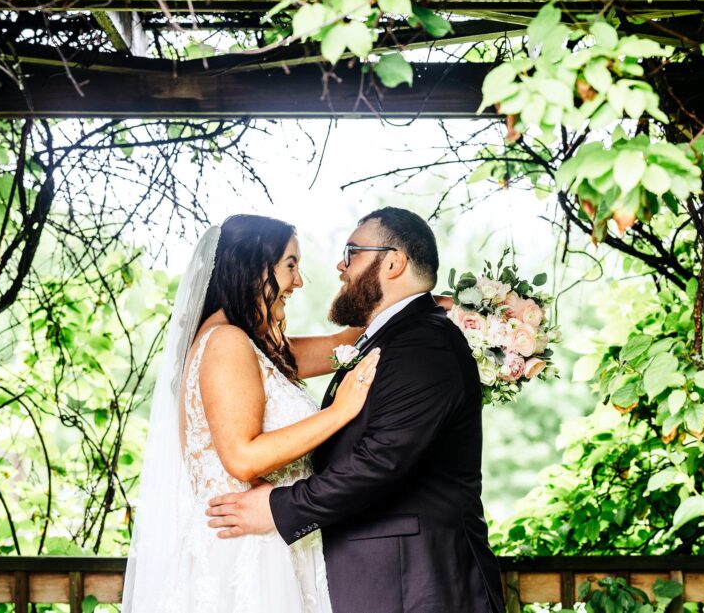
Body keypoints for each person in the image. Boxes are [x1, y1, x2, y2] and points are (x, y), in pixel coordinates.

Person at [207, 207, 505, 613]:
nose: (339, 266)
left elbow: (381, 461)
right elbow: (309, 351)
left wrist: (280, 508)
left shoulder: (424, 343)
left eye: (352, 253)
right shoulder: (391, 337)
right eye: (290, 264)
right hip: (374, 580)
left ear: (394, 262)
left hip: (417, 584)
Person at [121, 214, 380, 613]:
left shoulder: (254, 346)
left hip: (271, 541)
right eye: (290, 265)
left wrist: (448, 306)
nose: (298, 282)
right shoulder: (226, 341)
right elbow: (242, 457)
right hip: (245, 555)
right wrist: (341, 411)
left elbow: (342, 343)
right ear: (255, 269)